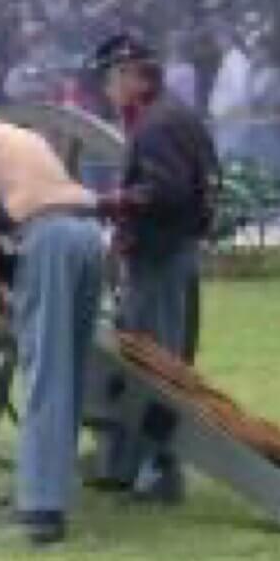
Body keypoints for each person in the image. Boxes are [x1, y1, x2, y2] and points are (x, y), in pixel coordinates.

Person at [0, 24, 107, 545]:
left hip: (48, 239)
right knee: (65, 373)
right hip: (85, 235)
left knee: (45, 370)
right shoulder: (20, 134)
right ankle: (49, 491)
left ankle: (40, 512)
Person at [87, 32, 220, 502]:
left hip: (159, 256)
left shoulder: (156, 125)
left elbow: (168, 191)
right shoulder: (174, 114)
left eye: (110, 79)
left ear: (130, 76)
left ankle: (160, 473)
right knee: (161, 360)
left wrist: (112, 202)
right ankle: (135, 465)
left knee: (154, 366)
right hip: (173, 250)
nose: (108, 90)